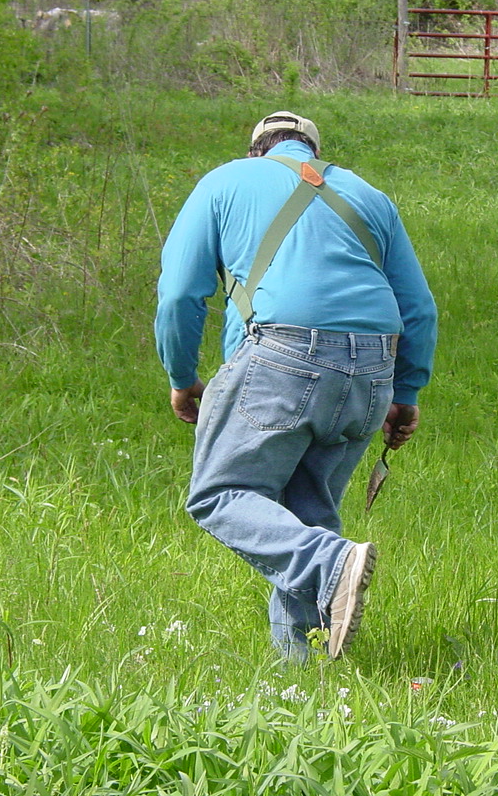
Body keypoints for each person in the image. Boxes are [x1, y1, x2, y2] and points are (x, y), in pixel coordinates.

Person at [155, 111, 438, 661]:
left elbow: (178, 295)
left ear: (257, 150)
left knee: (220, 495)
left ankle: (329, 565)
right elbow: (419, 309)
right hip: (371, 370)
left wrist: (181, 377)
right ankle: (300, 680)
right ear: (311, 149)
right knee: (305, 516)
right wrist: (406, 394)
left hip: (283, 356)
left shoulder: (225, 180)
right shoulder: (369, 195)